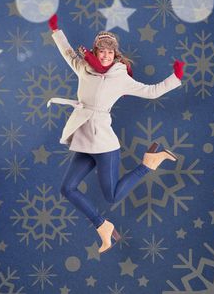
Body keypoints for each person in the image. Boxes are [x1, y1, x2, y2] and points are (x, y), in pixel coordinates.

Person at [47, 14, 185, 254]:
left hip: (104, 144)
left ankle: (149, 162)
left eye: (110, 52)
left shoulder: (120, 76)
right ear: (95, 51)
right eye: (102, 51)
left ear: (115, 54)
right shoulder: (83, 67)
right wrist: (55, 30)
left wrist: (176, 77)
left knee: (111, 196)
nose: (105, 56)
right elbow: (67, 51)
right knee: (67, 189)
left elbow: (151, 91)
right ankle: (103, 225)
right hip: (84, 140)